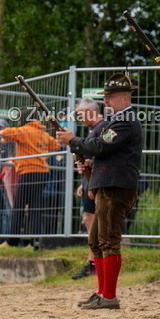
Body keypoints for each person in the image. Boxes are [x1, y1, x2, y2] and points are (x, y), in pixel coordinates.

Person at [56, 74, 143, 310]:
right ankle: (102, 292)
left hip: (117, 186)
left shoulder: (125, 120)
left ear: (125, 96)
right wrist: (92, 167)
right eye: (106, 96)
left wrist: (73, 140)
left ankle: (109, 296)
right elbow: (107, 153)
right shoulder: (118, 119)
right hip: (108, 184)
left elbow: (100, 146)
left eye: (111, 96)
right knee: (96, 241)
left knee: (108, 241)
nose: (107, 101)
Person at [0, 108, 55, 242]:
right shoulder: (43, 133)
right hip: (42, 172)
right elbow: (54, 145)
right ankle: (35, 240)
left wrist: (4, 139)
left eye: (19, 119)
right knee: (35, 207)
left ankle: (12, 241)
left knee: (19, 206)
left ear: (23, 119)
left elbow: (4, 132)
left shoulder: (24, 130)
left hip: (28, 172)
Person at [70, 98, 105, 280]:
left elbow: (100, 155)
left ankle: (95, 262)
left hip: (96, 182)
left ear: (91, 111)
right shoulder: (93, 130)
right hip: (89, 181)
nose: (80, 118)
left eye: (81, 114)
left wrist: (91, 182)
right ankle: (93, 261)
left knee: (92, 221)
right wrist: (83, 182)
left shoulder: (102, 128)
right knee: (88, 220)